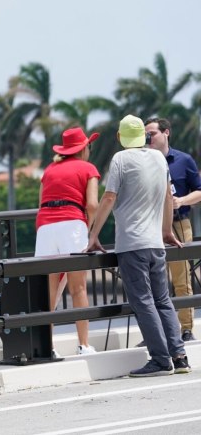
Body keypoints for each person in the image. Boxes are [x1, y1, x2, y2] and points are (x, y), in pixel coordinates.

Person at [86, 114, 190, 376]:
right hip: (156, 242)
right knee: (163, 301)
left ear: (120, 137)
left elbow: (109, 197)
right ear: (143, 137)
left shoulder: (120, 159)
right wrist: (167, 230)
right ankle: (179, 356)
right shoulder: (158, 157)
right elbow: (168, 195)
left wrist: (93, 235)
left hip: (132, 244)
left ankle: (159, 360)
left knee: (143, 302)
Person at [35, 127, 100, 355]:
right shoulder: (88, 168)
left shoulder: (49, 169)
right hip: (72, 223)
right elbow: (92, 204)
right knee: (78, 287)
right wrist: (90, 229)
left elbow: (40, 202)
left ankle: (47, 347)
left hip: (45, 225)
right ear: (83, 149)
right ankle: (83, 345)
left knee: (47, 291)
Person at [145, 117, 201, 341]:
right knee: (151, 282)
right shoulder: (144, 160)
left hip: (178, 223)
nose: (148, 138)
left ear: (166, 132)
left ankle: (186, 329)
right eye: (145, 135)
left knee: (181, 279)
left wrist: (181, 201)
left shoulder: (183, 160)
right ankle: (157, 331)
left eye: (152, 134)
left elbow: (199, 191)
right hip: (150, 225)